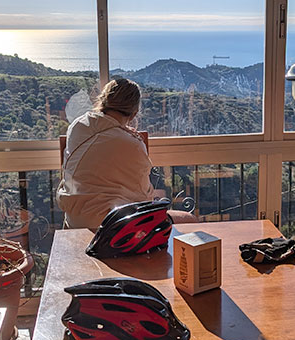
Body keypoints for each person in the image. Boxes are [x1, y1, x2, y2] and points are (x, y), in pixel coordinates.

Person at [57, 77, 196, 229]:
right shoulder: (133, 145)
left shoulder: (77, 126)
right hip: (113, 229)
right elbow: (144, 198)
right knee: (189, 219)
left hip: (74, 223)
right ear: (134, 113)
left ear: (103, 101)